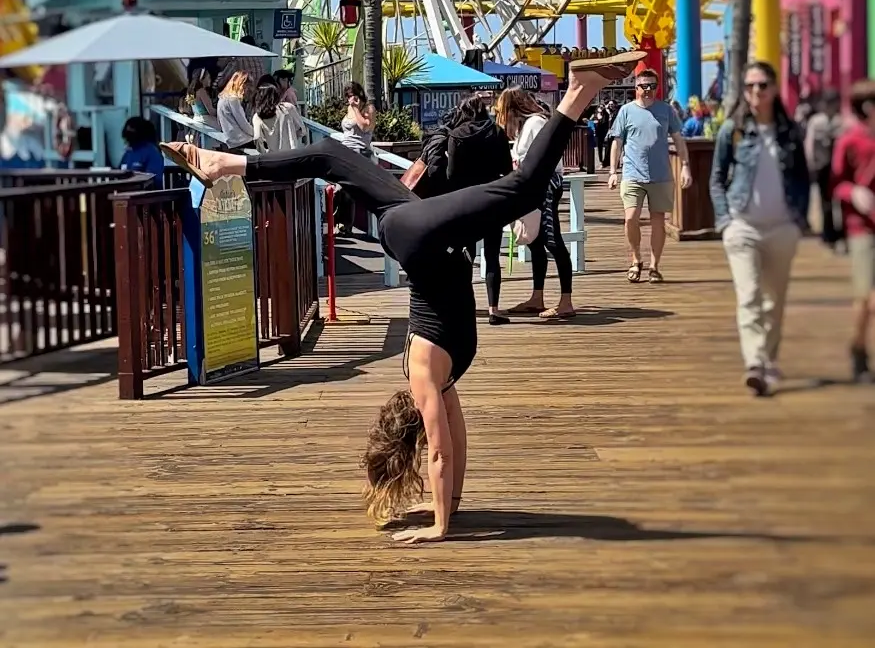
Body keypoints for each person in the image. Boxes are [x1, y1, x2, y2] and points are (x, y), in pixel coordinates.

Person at [159, 52, 643, 543]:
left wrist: (440, 525)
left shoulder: (426, 371)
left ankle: (222, 162)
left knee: (510, 188)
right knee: (334, 156)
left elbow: (441, 449)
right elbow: (450, 444)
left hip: (414, 236)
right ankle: (581, 91)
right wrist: (447, 506)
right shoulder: (440, 376)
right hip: (418, 234)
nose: (424, 406)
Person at [709, 62, 810, 396]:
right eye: (750, 86)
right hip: (743, 227)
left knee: (775, 301)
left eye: (762, 85)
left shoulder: (790, 131)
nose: (756, 92)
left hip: (782, 227)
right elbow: (717, 179)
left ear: (774, 88)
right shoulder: (733, 130)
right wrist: (726, 221)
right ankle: (754, 363)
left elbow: (801, 178)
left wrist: (798, 221)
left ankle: (768, 359)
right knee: (749, 296)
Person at [417, 95, 513, 325]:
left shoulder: (456, 135)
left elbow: (450, 174)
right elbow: (508, 170)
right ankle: (494, 309)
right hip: (492, 199)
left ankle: (466, 308)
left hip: (464, 202)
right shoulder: (497, 133)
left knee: (465, 255)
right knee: (492, 256)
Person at [495, 86, 575, 319]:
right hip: (534, 187)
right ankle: (537, 297)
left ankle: (566, 301)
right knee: (536, 241)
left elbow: (546, 155)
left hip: (546, 186)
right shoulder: (527, 126)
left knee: (552, 240)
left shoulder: (536, 123)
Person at [608, 68, 693, 284]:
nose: (648, 90)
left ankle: (654, 266)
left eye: (652, 86)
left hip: (661, 174)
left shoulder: (666, 111)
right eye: (644, 86)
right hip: (632, 173)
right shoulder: (626, 111)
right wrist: (612, 172)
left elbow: (678, 139)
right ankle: (636, 259)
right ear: (635, 88)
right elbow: (617, 142)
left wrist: (685, 166)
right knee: (630, 218)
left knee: (658, 222)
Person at [831, 80, 875, 384]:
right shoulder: (850, 141)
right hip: (862, 228)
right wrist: (854, 193)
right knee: (866, 297)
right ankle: (858, 347)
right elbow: (836, 183)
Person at [333, 82, 376, 235]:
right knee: (340, 188)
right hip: (344, 149)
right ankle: (340, 224)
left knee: (345, 189)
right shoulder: (349, 108)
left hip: (358, 151)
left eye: (353, 95)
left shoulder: (368, 109)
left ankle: (344, 224)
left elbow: (365, 127)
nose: (350, 99)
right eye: (348, 96)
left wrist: (357, 108)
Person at [805, 88, 844, 249]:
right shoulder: (816, 122)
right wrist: (811, 163)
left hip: (838, 168)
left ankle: (840, 232)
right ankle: (828, 233)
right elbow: (810, 143)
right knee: (825, 202)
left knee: (840, 201)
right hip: (821, 166)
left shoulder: (841, 122)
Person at [252, 81, 306, 154]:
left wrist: (264, 152)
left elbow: (257, 138)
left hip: (274, 157)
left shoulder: (258, 116)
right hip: (292, 153)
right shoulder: (288, 108)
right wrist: (293, 138)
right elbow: (302, 130)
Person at [120, 116, 164, 188]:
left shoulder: (152, 153)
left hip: (143, 196)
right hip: (124, 193)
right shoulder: (128, 153)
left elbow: (154, 179)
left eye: (131, 131)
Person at [217, 71, 255, 152]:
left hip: (231, 139)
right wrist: (256, 134)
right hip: (240, 140)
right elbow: (244, 124)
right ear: (242, 84)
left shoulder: (222, 98)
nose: (248, 89)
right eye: (248, 85)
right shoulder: (233, 99)